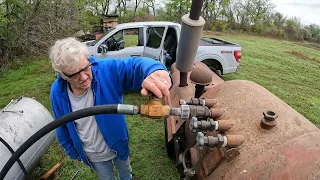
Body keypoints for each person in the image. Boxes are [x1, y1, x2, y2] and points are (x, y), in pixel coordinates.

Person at [49, 37, 171, 180]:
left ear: (88, 59)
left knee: (125, 171)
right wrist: (72, 151)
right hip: (92, 154)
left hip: (118, 143)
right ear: (63, 75)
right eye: (74, 74)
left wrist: (154, 70)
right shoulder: (57, 92)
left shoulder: (107, 70)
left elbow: (133, 65)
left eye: (85, 68)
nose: (83, 77)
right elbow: (61, 125)